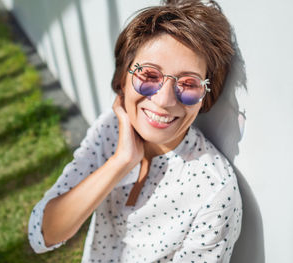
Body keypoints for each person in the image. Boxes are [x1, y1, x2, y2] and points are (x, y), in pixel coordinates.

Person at [28, 0, 242, 262]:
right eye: (149, 75)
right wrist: (121, 160)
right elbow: (43, 234)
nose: (164, 100)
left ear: (205, 96)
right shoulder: (111, 128)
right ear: (123, 79)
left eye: (188, 83)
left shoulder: (214, 190)